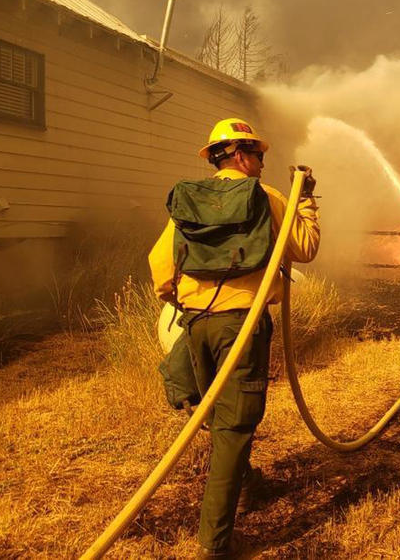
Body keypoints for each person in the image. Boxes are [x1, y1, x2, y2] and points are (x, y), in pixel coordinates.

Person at [148, 118, 319, 559]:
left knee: (216, 412)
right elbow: (305, 247)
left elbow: (160, 262)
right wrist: (308, 201)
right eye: (259, 155)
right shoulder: (267, 198)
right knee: (234, 425)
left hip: (197, 322)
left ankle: (243, 481)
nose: (263, 163)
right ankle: (215, 544)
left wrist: (181, 298)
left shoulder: (190, 199)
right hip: (240, 324)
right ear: (241, 155)